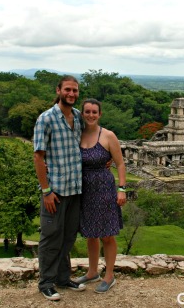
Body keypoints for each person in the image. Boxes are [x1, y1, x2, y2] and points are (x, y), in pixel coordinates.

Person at [33, 75, 86, 301]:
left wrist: (107, 158)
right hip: (55, 191)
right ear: (58, 91)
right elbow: (38, 156)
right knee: (51, 237)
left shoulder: (77, 117)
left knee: (68, 237)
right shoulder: (46, 119)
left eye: (75, 90)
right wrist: (46, 190)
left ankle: (63, 278)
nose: (71, 94)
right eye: (67, 90)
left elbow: (88, 143)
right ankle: (46, 282)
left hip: (75, 189)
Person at [74, 98, 127, 293]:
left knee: (106, 234)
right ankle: (92, 272)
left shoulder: (108, 136)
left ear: (100, 114)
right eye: (87, 111)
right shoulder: (77, 135)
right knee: (90, 234)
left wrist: (122, 188)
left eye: (94, 112)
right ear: (82, 113)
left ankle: (109, 275)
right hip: (85, 190)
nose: (90, 115)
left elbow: (120, 163)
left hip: (104, 189)